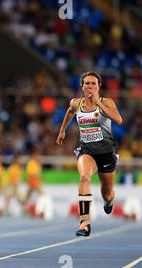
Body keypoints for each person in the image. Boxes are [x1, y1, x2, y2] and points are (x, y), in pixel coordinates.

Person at [56, 71, 122, 237]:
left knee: (107, 193)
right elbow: (70, 111)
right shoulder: (76, 103)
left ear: (99, 86)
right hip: (87, 150)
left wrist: (99, 105)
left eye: (93, 83)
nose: (90, 86)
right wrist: (62, 131)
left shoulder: (106, 102)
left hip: (106, 152)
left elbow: (119, 120)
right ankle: (85, 223)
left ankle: (109, 201)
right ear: (82, 86)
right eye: (87, 83)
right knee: (84, 177)